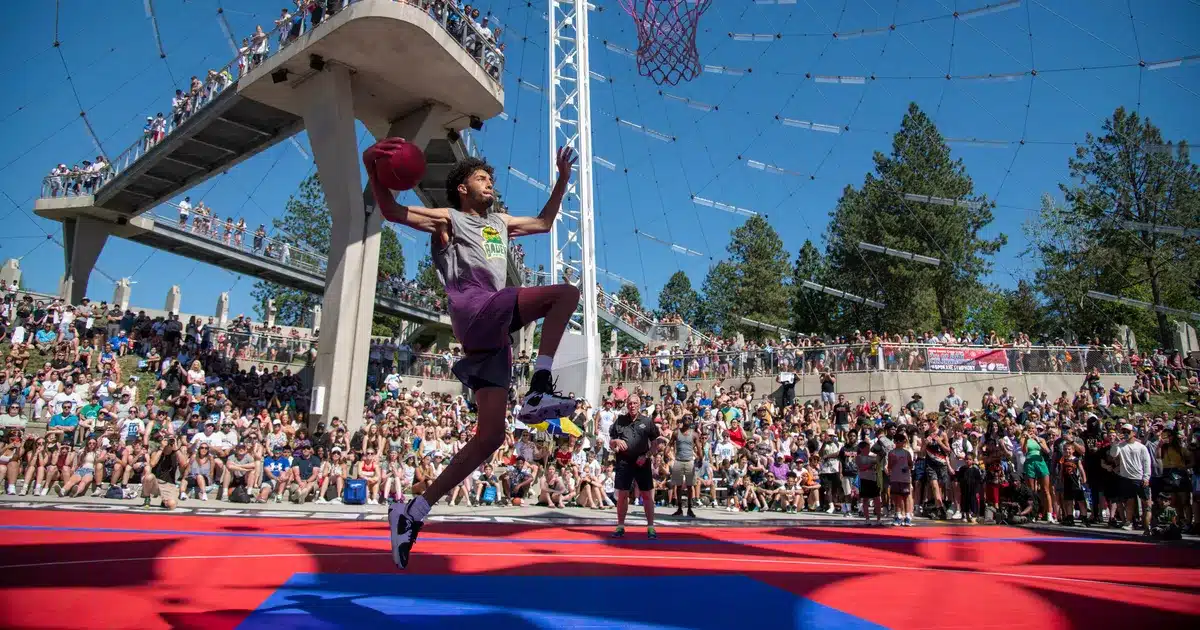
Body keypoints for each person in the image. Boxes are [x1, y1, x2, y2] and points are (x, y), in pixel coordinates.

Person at [365, 138, 581, 569]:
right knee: (565, 294)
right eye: (482, 178)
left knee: (491, 437)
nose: (489, 183)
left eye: (491, 179)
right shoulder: (449, 219)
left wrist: (561, 180)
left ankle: (413, 513)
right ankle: (539, 388)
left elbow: (542, 222)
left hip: (491, 336)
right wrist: (373, 168)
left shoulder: (499, 222)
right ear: (462, 188)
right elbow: (392, 212)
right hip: (477, 309)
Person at [609, 394, 661, 538]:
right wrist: (616, 443)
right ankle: (620, 526)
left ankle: (651, 527)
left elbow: (655, 444)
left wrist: (646, 456)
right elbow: (611, 442)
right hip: (624, 462)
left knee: (647, 495)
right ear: (626, 404)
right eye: (630, 403)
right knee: (622, 495)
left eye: (635, 403)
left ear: (639, 404)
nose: (632, 406)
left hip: (642, 461)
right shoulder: (619, 420)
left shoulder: (647, 421)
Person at [669, 414, 700, 518]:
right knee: (678, 486)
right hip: (678, 460)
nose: (687, 420)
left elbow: (699, 448)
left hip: (689, 461)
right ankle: (679, 508)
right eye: (686, 418)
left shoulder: (694, 434)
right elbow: (669, 444)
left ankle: (690, 508)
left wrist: (700, 458)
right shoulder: (676, 433)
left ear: (692, 421)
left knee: (690, 486)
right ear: (682, 420)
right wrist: (666, 454)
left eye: (690, 418)